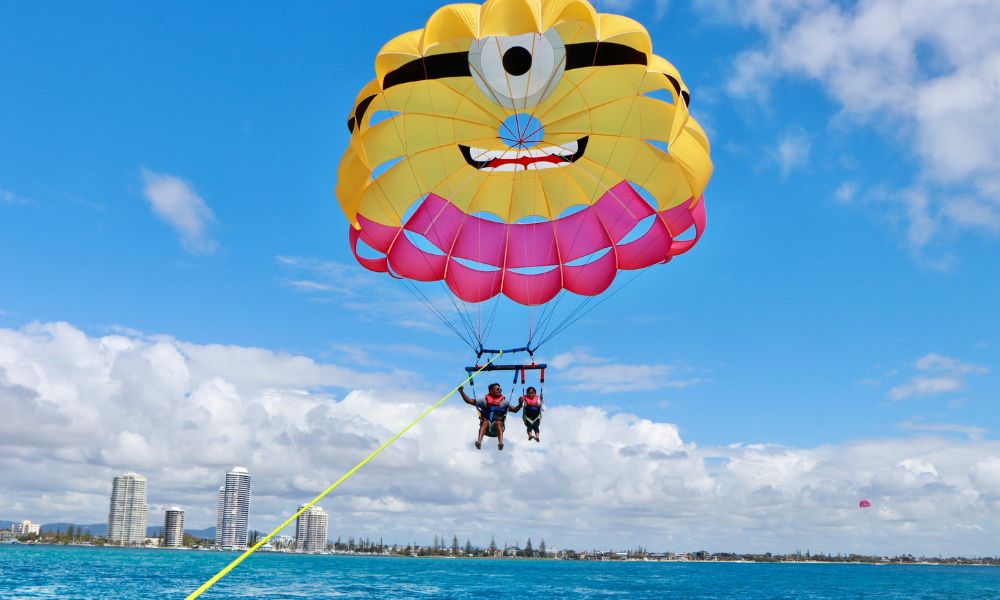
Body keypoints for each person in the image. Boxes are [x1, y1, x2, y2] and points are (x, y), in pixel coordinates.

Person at [459, 383, 510, 451]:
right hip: (486, 427)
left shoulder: (504, 403)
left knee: (498, 422)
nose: (500, 390)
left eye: (500, 389)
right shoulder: (484, 401)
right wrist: (461, 392)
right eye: (498, 389)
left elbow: (515, 410)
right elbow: (469, 401)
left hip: (497, 427)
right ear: (491, 391)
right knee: (485, 422)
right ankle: (479, 442)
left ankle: (500, 443)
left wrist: (521, 403)